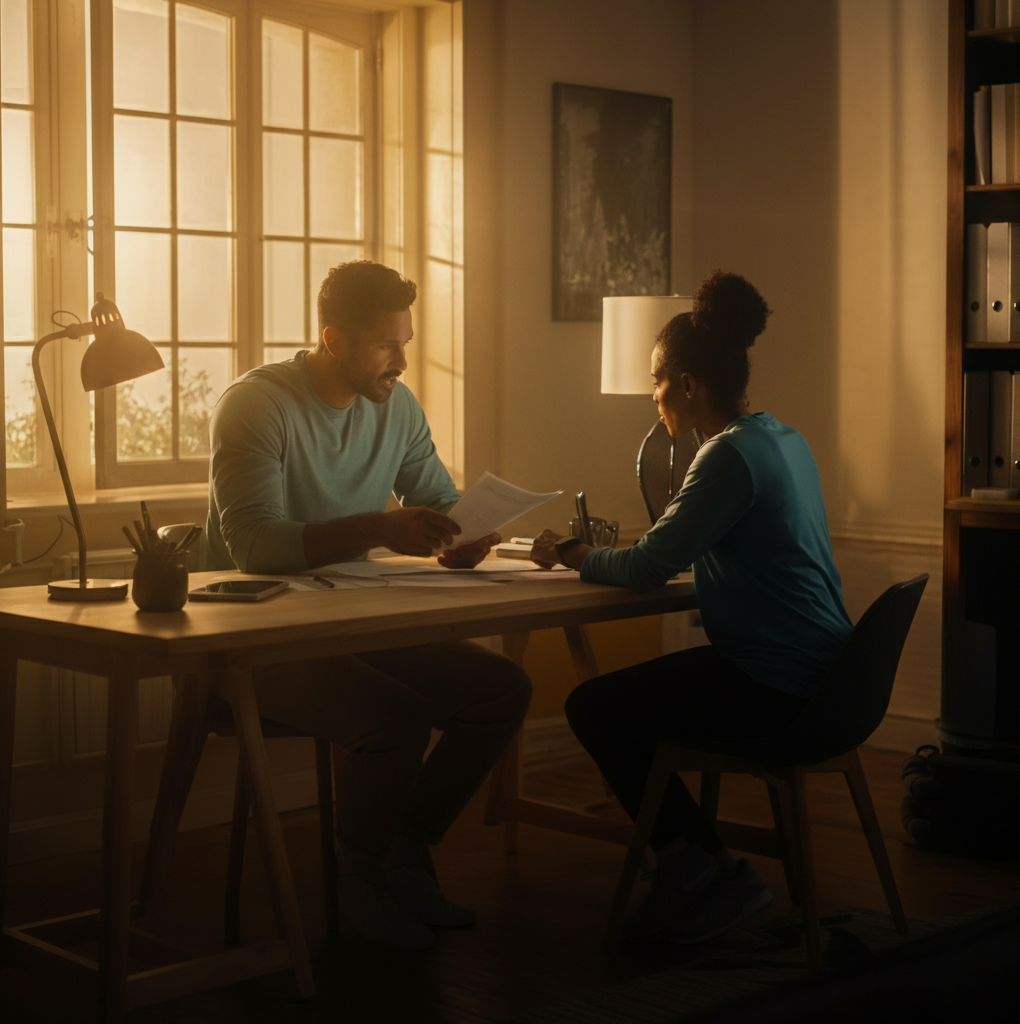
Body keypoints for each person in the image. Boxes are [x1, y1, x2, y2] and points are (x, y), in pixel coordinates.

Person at [205, 260, 532, 950]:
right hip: (254, 637)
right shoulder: (257, 404)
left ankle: (404, 858)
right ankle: (356, 886)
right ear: (334, 340)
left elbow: (438, 497)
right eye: (388, 345)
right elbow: (256, 545)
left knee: (501, 690)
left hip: (353, 619)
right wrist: (379, 528)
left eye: (406, 342)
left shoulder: (396, 407)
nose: (403, 362)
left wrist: (461, 534)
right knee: (397, 715)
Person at [530, 271, 853, 945]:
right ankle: (708, 866)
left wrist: (571, 553)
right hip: (833, 679)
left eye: (656, 381)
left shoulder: (727, 456)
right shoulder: (781, 439)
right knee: (635, 704)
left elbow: (647, 567)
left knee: (594, 709)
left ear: (685, 384)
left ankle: (692, 866)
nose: (652, 399)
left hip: (777, 686)